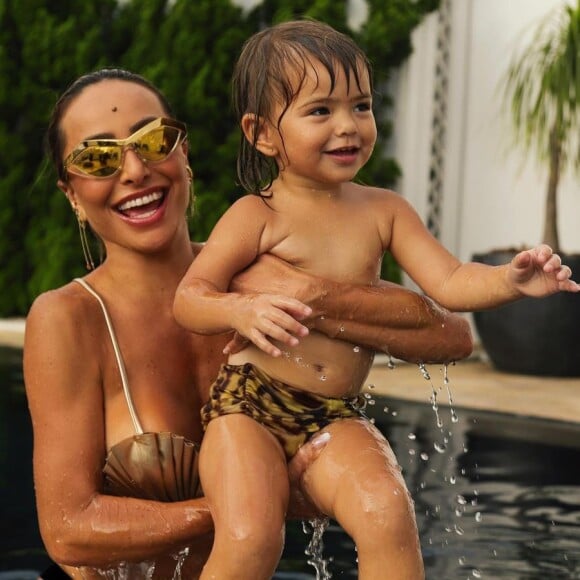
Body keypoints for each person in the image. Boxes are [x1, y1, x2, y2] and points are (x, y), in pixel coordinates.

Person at [23, 67, 473, 580]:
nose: (133, 171)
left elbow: (449, 335)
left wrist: (313, 296)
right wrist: (248, 506)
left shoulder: (253, 274)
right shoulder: (69, 318)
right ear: (73, 195)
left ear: (183, 155)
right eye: (98, 158)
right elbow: (67, 528)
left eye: (154, 140)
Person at [173, 19, 580, 580]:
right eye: (320, 111)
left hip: (333, 412)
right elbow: (190, 298)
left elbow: (451, 281)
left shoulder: (384, 210)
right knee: (249, 537)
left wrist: (509, 282)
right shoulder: (256, 215)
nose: (348, 126)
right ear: (263, 133)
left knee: (387, 514)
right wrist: (239, 309)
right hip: (249, 408)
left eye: (361, 106)